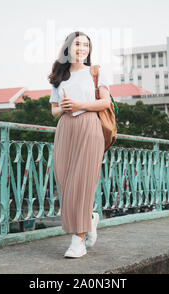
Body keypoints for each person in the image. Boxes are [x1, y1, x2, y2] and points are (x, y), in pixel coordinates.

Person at [48, 31, 111, 258]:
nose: (82, 48)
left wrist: (79, 104)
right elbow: (54, 111)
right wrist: (65, 108)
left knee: (81, 182)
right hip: (65, 128)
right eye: (77, 44)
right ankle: (90, 219)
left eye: (86, 45)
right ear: (68, 48)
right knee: (65, 182)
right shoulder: (59, 76)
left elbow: (105, 102)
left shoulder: (95, 72)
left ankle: (79, 239)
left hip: (89, 127)